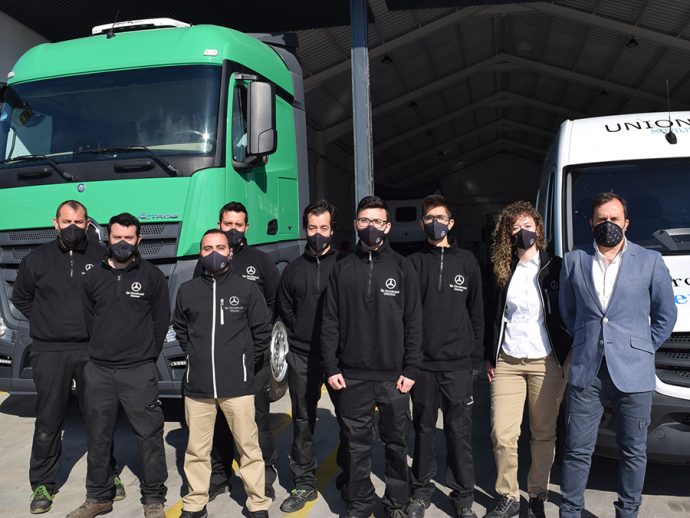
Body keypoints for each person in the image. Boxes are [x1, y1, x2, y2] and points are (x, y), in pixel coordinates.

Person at [558, 192, 676, 518]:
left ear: (626, 222)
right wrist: (586, 339)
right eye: (601, 220)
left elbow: (666, 316)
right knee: (577, 450)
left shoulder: (650, 261)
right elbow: (568, 313)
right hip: (587, 370)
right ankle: (570, 512)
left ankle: (628, 512)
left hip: (634, 373)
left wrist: (643, 346)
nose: (608, 225)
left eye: (614, 219)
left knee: (634, 450)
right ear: (591, 223)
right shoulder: (574, 261)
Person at [12, 200, 123, 514]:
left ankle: (108, 473)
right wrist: (45, 320)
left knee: (99, 418)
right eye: (67, 221)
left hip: (91, 350)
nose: (73, 227)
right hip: (50, 351)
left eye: (79, 221)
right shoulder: (36, 259)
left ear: (88, 223)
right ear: (55, 223)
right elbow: (21, 296)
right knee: (49, 420)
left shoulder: (102, 256)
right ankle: (43, 484)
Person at [322, 195, 422, 518]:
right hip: (352, 375)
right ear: (355, 225)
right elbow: (330, 321)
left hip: (394, 377)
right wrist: (331, 366)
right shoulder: (341, 269)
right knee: (356, 445)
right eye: (364, 221)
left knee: (396, 443)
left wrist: (410, 367)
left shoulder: (403, 268)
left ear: (388, 227)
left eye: (377, 221)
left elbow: (414, 322)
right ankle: (360, 501)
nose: (371, 227)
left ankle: (396, 502)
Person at [67, 213, 170, 518]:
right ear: (107, 239)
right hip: (99, 370)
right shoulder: (93, 277)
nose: (122, 244)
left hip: (138, 370)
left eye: (128, 238)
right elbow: (89, 320)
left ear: (139, 240)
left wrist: (145, 355)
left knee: (149, 435)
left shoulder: (152, 277)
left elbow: (160, 321)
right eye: (116, 238)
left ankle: (153, 499)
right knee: (98, 436)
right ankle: (99, 496)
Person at [174, 229, 272, 518]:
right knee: (196, 451)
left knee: (249, 448)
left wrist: (243, 363)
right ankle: (195, 503)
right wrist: (194, 356)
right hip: (198, 387)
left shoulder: (247, 289)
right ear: (200, 253)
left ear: (230, 252)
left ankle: (257, 503)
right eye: (207, 248)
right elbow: (180, 329)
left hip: (238, 386)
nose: (214, 253)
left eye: (220, 247)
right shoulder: (188, 291)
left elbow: (261, 332)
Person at [484, 201, 571, 518]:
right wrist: (488, 356)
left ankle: (536, 494)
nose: (523, 232)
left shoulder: (556, 267)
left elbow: (570, 313)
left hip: (546, 362)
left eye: (529, 226)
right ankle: (508, 495)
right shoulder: (500, 269)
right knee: (502, 433)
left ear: (540, 230)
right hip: (507, 361)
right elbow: (490, 317)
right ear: (508, 232)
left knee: (543, 432)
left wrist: (567, 352)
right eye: (516, 227)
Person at [193, 201, 280, 500]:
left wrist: (253, 346)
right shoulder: (204, 262)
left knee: (257, 418)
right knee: (218, 420)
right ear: (220, 223)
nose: (232, 230)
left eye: (238, 225)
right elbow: (195, 305)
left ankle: (264, 473)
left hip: (250, 361)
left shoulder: (262, 261)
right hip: (216, 362)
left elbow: (272, 303)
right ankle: (220, 475)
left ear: (246, 227)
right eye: (227, 224)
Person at [406, 195, 484, 518]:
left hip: (458, 365)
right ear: (422, 223)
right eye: (429, 217)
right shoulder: (413, 263)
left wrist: (477, 358)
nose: (435, 222)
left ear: (451, 223)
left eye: (440, 217)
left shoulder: (467, 262)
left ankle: (463, 494)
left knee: (459, 431)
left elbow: (477, 311)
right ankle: (422, 489)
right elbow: (407, 315)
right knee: (423, 429)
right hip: (424, 365)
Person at [276, 200, 341, 513]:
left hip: (340, 359)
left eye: (324, 228)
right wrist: (301, 334)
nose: (318, 234)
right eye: (313, 228)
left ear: (332, 230)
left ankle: (350, 476)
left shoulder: (344, 267)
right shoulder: (293, 270)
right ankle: (304, 483)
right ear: (306, 229)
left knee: (351, 421)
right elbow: (285, 309)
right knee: (303, 421)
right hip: (302, 356)